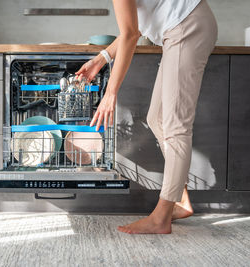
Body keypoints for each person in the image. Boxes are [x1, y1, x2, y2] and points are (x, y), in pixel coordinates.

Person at [75, 0, 218, 234]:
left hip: (187, 26)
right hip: (181, 28)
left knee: (175, 126)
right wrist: (101, 58)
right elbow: (135, 27)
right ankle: (180, 201)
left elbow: (131, 34)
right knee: (158, 119)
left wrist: (110, 93)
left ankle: (161, 217)